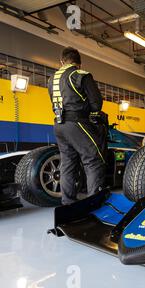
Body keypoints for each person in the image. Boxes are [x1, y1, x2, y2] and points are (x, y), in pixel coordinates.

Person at [48, 47, 108, 205]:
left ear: (62, 61)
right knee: (93, 160)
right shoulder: (81, 75)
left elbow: (53, 102)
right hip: (77, 123)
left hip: (59, 125)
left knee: (68, 163)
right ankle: (93, 204)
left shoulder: (52, 79)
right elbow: (96, 104)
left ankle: (67, 203)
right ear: (79, 63)